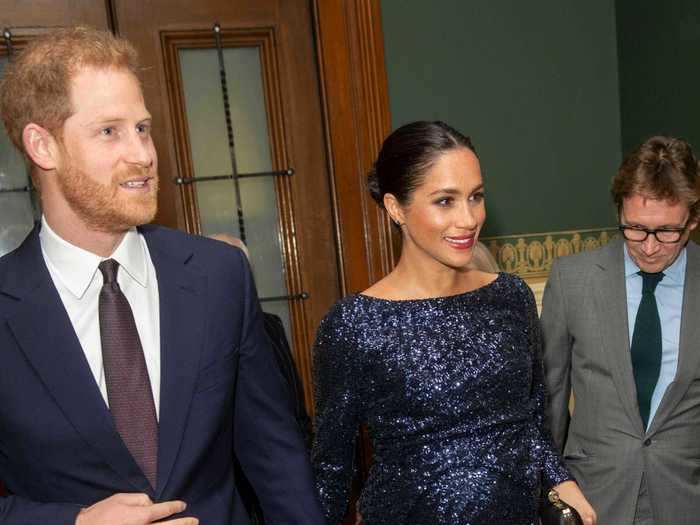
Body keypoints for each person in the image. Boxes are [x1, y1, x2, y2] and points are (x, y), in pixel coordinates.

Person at [0, 26, 323, 525]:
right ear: (43, 147)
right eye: (110, 131)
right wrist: (77, 522)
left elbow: (275, 457)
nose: (144, 154)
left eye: (143, 128)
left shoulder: (220, 276)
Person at [311, 121, 595, 524]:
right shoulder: (353, 324)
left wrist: (561, 481)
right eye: (445, 201)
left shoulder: (511, 297)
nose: (468, 219)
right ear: (395, 208)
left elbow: (532, 421)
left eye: (475, 197)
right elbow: (332, 472)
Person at [541, 135, 700, 525]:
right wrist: (550, 483)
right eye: (634, 229)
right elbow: (549, 395)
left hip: (686, 496)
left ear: (693, 221)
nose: (648, 247)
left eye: (667, 232)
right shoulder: (571, 280)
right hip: (593, 497)